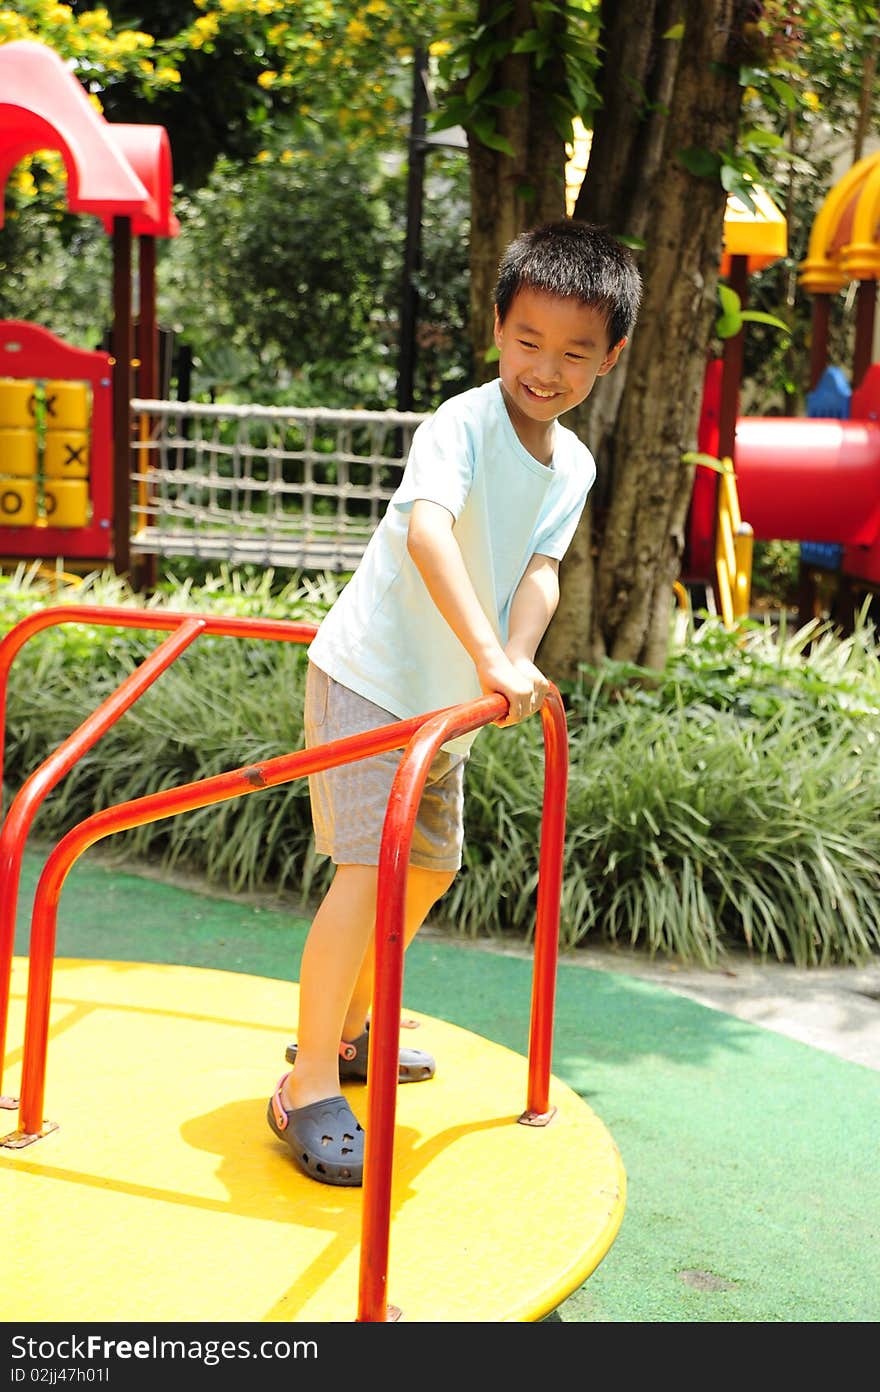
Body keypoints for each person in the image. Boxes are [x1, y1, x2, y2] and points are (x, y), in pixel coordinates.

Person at [267, 219, 642, 1186]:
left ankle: (349, 1030)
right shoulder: (461, 424)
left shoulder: (575, 466)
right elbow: (429, 534)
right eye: (529, 341)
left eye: (574, 353)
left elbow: (542, 571)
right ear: (497, 327)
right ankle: (306, 1084)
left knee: (427, 872)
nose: (546, 369)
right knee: (366, 870)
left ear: (611, 358)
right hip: (371, 681)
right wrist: (488, 654)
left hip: (444, 706)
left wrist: (513, 658)